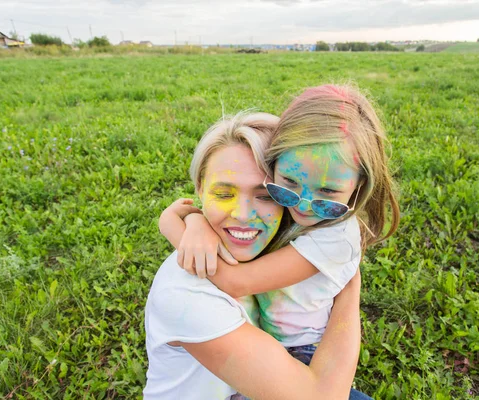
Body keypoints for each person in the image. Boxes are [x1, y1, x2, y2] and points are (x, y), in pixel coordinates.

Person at [161, 84, 400, 399]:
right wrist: (194, 220)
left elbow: (235, 281)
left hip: (302, 351)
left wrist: (171, 226)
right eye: (287, 183)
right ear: (273, 165)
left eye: (328, 192)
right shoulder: (303, 210)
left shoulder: (331, 236)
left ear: (359, 187)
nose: (302, 204)